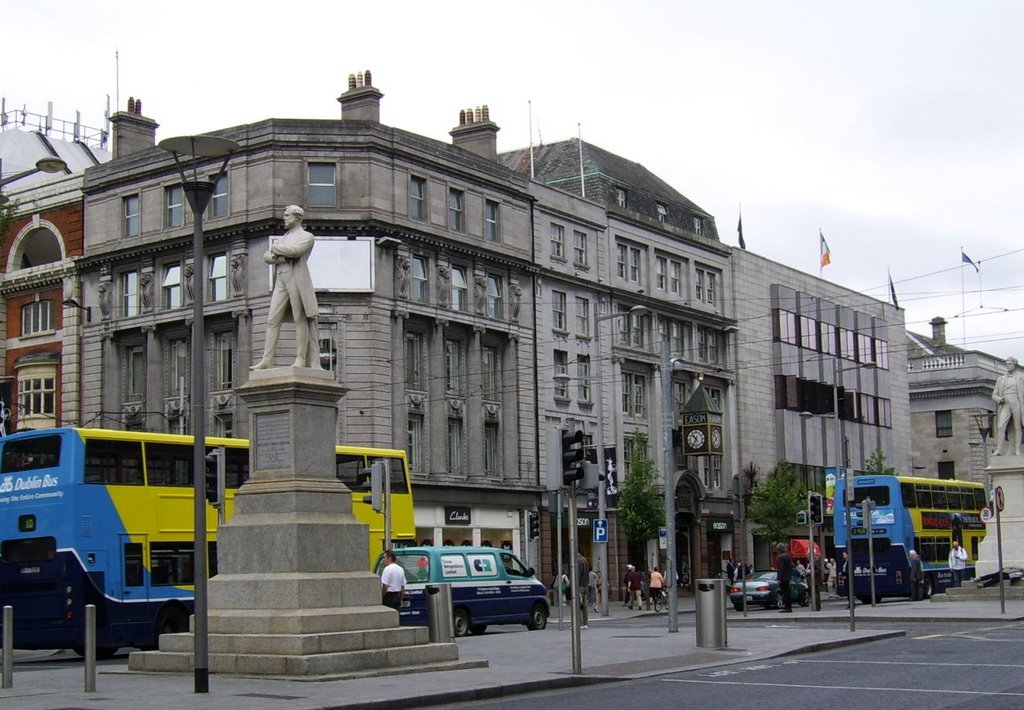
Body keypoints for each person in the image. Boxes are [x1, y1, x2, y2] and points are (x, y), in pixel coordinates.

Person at [251, 205, 321, 370]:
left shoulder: (306, 236)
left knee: (300, 319)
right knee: (272, 320)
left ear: (297, 217)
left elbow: (295, 251)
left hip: (296, 279)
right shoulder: (284, 237)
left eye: (287, 215)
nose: (284, 218)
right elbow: (267, 257)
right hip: (281, 280)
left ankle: (300, 359)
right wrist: (280, 253)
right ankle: (266, 360)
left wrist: (275, 249)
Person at [992, 356, 1024, 456]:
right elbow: (994, 394)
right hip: (1005, 403)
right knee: (1001, 426)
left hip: (1017, 402)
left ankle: (1017, 450)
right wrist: (999, 399)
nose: (1007, 366)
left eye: (1009, 364)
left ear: (1015, 364)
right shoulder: (1001, 379)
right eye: (1006, 364)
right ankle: (999, 450)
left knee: (1017, 427)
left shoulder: (1021, 377)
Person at [776, 543, 794, 613]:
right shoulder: (788, 556)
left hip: (783, 577)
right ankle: (789, 606)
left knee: (784, 592)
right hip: (788, 576)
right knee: (787, 592)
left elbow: (781, 568)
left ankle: (787, 607)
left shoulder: (780, 557)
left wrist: (779, 578)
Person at [577, 551, 590, 628]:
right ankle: (585, 623)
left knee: (578, 605)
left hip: (580, 586)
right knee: (584, 606)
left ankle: (580, 623)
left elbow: (578, 574)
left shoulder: (578, 561)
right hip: (585, 585)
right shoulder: (585, 559)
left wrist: (575, 584)